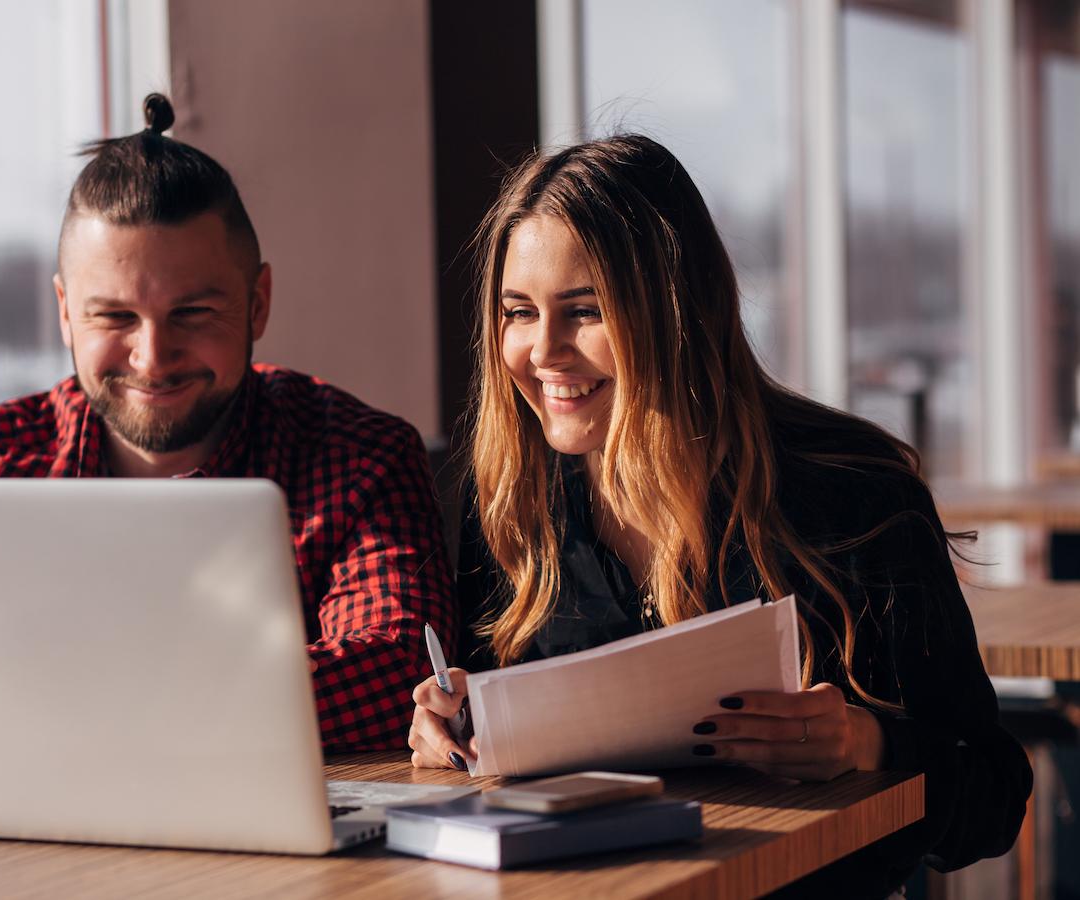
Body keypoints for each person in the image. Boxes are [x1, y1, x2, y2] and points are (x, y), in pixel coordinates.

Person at [407, 135, 1030, 896]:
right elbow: (487, 746)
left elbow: (995, 797)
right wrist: (452, 723)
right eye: (518, 312)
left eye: (586, 311)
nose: (543, 350)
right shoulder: (512, 497)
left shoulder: (852, 494)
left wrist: (869, 744)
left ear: (675, 312)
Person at [0, 94, 456, 752]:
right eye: (115, 318)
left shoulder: (359, 456)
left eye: (193, 312)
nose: (152, 356)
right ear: (65, 312)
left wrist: (52, 690)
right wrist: (187, 696)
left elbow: (394, 674)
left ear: (256, 302)